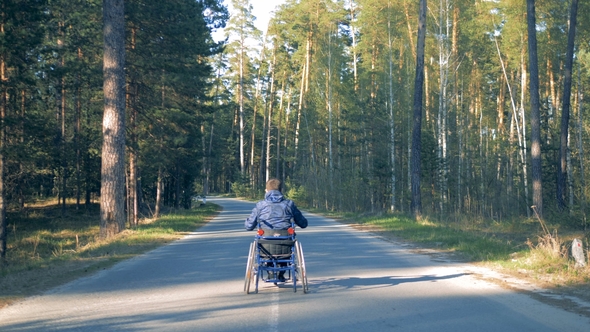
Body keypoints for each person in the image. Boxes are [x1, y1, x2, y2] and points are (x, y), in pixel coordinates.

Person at [245, 178, 308, 282]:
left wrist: (248, 222)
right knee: (287, 243)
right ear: (281, 190)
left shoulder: (260, 205)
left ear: (266, 190)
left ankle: (270, 271)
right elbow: (303, 223)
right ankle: (281, 272)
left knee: (264, 242)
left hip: (265, 245)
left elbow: (249, 226)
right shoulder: (289, 204)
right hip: (286, 245)